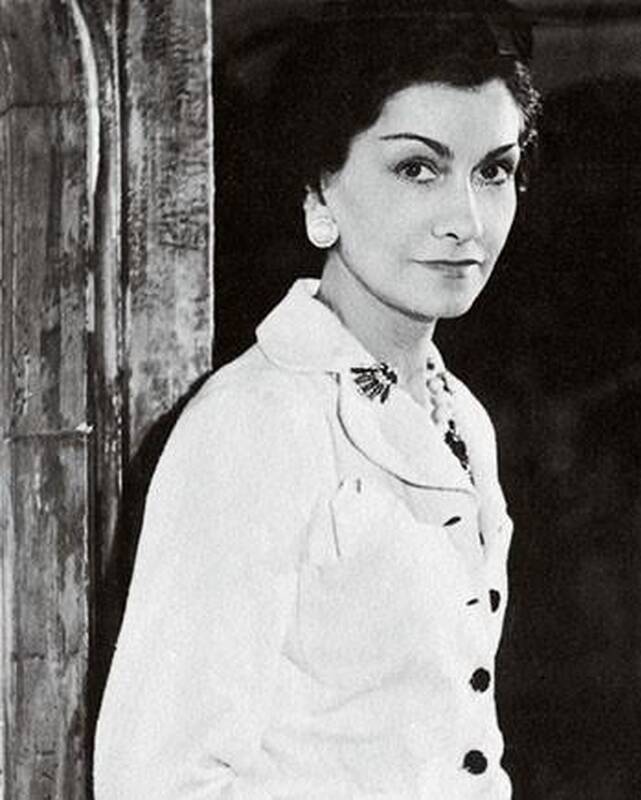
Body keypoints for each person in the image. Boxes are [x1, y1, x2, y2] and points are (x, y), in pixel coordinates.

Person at [94, 2, 540, 796]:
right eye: (417, 169)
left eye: (493, 172)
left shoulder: (462, 422)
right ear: (320, 195)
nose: (465, 220)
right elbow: (156, 780)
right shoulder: (254, 422)